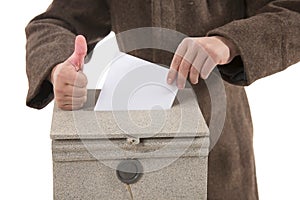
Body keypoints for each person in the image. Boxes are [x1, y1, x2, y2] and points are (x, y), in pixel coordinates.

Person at [25, 0, 300, 199]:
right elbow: (54, 23)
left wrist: (227, 43)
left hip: (219, 148)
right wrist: (58, 67)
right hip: (130, 144)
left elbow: (293, 11)